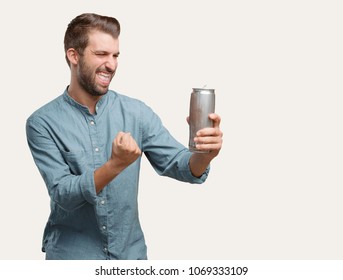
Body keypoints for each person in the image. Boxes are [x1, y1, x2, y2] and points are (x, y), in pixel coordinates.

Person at [26, 13, 223, 260]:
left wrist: (204, 155)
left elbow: (181, 165)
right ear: (73, 56)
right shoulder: (42, 122)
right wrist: (114, 166)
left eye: (115, 55)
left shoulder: (136, 112)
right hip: (72, 259)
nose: (111, 64)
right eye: (101, 54)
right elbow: (62, 194)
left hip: (130, 258)